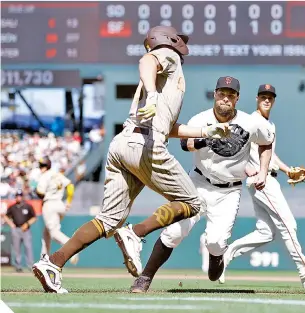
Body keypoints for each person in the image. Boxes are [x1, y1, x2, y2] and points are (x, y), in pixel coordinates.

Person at [32, 26, 230, 294]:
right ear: (168, 40)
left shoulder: (163, 79)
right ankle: (135, 233)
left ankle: (53, 263)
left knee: (108, 220)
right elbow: (146, 61)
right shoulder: (167, 56)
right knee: (191, 202)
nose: (183, 45)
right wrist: (153, 90)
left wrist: (205, 131)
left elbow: (168, 127)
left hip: (123, 143)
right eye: (179, 40)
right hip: (144, 145)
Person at [129, 76, 275, 293]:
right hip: (197, 183)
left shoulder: (250, 123)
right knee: (174, 232)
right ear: (215, 95)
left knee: (215, 243)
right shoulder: (201, 119)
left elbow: (266, 142)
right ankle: (145, 278)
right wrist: (210, 136)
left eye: (230, 95)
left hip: (229, 190)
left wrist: (263, 171)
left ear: (237, 98)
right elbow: (184, 145)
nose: (225, 98)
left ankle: (217, 258)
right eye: (222, 94)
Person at [218, 84, 305, 288]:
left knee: (266, 232)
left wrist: (288, 170)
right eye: (263, 96)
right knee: (289, 224)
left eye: (270, 97)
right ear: (256, 99)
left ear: (274, 100)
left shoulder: (269, 124)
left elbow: (269, 153)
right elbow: (234, 148)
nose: (267, 100)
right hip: (262, 182)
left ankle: (226, 255)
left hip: (268, 178)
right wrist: (246, 169)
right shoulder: (252, 122)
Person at [34, 156, 78, 267]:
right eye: (41, 165)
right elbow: (70, 186)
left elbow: (40, 192)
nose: (41, 167)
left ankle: (72, 247)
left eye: (43, 165)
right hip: (60, 205)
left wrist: (35, 190)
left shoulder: (44, 176)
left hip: (50, 205)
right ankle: (44, 260)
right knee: (46, 233)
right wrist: (68, 201)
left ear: (46, 166)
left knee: (53, 233)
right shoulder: (58, 174)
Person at [3, 190, 36, 272]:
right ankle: (18, 266)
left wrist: (27, 224)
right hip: (16, 229)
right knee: (16, 248)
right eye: (17, 196)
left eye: (20, 195)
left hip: (25, 230)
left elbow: (34, 217)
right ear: (15, 197)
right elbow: (6, 216)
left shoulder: (28, 206)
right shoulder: (12, 207)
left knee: (28, 247)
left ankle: (31, 265)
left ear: (22, 196)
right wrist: (11, 224)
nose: (19, 197)